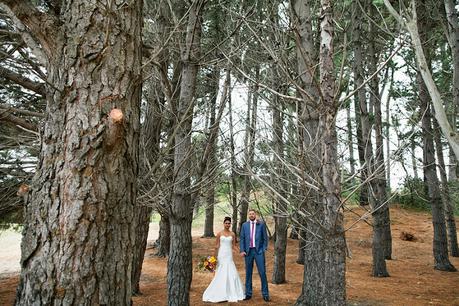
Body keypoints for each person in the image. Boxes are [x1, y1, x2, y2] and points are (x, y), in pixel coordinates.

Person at [202, 217, 245, 303]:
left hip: (229, 255)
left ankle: (231, 291)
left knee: (231, 271)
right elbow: (216, 246)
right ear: (223, 223)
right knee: (220, 272)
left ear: (230, 224)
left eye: (229, 223)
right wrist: (213, 258)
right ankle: (219, 292)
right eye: (226, 223)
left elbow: (234, 246)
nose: (227, 225)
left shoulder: (232, 234)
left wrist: (240, 252)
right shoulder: (219, 234)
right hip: (221, 255)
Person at [239, 209, 270, 302]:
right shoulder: (244, 225)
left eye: (253, 214)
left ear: (255, 215)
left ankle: (265, 294)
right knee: (248, 273)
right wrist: (242, 250)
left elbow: (265, 238)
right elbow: (242, 238)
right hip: (248, 252)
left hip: (258, 252)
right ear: (248, 215)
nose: (251, 215)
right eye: (250, 214)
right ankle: (248, 293)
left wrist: (263, 249)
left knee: (262, 272)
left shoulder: (261, 224)